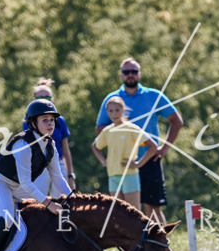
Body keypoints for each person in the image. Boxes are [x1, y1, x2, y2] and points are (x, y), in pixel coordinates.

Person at [0, 99, 72, 251]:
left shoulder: (50, 146)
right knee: (8, 219)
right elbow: (26, 183)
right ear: (32, 123)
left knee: (33, 217)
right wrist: (49, 203)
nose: (51, 123)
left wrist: (73, 199)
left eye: (52, 120)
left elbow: (58, 178)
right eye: (45, 120)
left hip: (16, 186)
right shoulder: (23, 145)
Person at [95, 58, 184, 225]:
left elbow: (176, 120)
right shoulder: (113, 99)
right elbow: (100, 128)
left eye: (134, 71)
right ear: (121, 74)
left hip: (149, 158)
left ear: (139, 74)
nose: (130, 75)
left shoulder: (153, 95)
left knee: (152, 207)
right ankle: (134, 249)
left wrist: (164, 149)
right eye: (126, 72)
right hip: (122, 162)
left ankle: (160, 247)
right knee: (125, 209)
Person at [92, 96, 158, 211]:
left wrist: (138, 164)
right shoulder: (107, 131)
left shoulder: (131, 128)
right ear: (107, 112)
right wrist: (103, 161)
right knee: (118, 212)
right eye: (111, 111)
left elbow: (153, 147)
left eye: (117, 110)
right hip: (113, 175)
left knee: (134, 211)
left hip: (129, 175)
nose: (114, 114)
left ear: (123, 110)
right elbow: (95, 146)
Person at [25, 79, 76, 193]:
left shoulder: (59, 121)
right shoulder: (28, 122)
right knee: (38, 201)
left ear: (52, 99)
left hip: (58, 164)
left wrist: (70, 175)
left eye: (47, 97)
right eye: (39, 98)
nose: (43, 100)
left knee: (60, 201)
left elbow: (66, 151)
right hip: (38, 165)